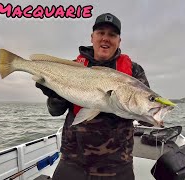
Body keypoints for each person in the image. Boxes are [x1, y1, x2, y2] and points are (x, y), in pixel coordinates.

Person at [36, 13, 151, 180]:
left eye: (112, 35)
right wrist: (54, 96)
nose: (105, 38)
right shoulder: (72, 68)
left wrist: (153, 114)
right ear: (92, 37)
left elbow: (144, 115)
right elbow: (55, 111)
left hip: (118, 165)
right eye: (100, 33)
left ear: (119, 41)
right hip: (72, 161)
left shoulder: (133, 72)